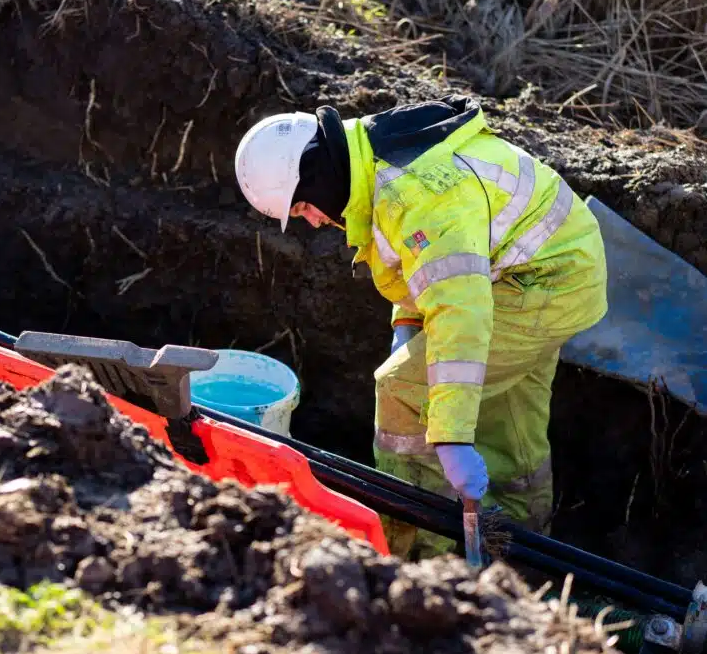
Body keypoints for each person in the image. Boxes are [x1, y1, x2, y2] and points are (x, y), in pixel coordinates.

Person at [233, 95, 608, 559]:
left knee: (402, 390)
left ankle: (422, 553)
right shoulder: (371, 156)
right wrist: (408, 320)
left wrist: (450, 436)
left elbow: (460, 310)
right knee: (510, 415)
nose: (312, 220)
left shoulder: (413, 193)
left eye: (304, 206)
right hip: (559, 264)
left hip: (540, 282)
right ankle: (527, 544)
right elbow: (429, 264)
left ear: (316, 172)